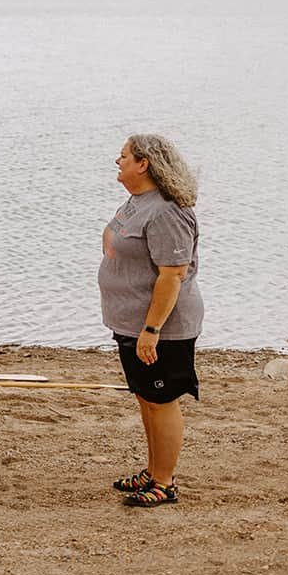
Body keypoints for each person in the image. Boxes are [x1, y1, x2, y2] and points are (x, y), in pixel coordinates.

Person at [99, 134, 203, 508]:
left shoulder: (166, 212)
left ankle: (165, 482)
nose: (117, 161)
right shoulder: (138, 202)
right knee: (146, 397)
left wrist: (152, 330)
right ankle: (153, 469)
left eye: (124, 156)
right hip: (130, 322)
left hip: (161, 328)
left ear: (144, 164)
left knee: (161, 399)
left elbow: (172, 274)